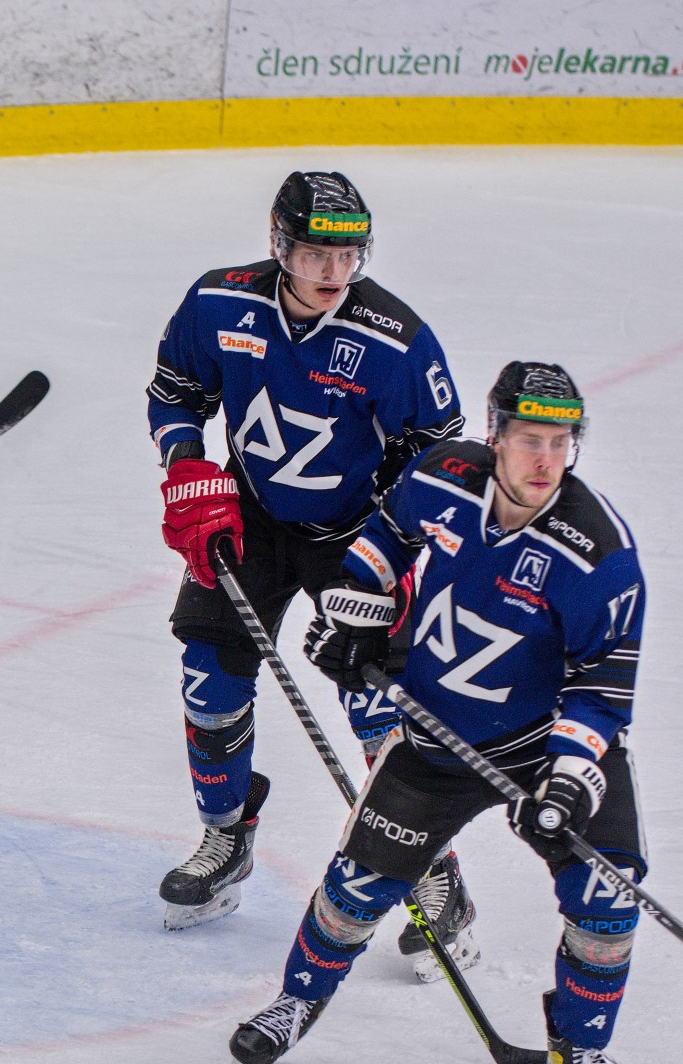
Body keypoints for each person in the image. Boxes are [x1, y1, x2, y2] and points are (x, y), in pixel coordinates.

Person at [231, 362, 652, 1064]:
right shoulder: (442, 475)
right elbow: (389, 537)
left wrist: (566, 780)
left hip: (547, 747)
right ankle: (296, 1001)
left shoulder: (600, 556)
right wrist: (358, 612)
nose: (546, 460)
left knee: (608, 895)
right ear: (495, 434)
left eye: (561, 442)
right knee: (356, 890)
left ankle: (580, 1057)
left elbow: (602, 689)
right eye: (530, 440)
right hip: (433, 732)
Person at [145, 170, 474, 977]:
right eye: (317, 253)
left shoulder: (395, 340)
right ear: (279, 245)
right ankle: (226, 836)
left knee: (377, 704)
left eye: (349, 254)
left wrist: (392, 549)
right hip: (251, 516)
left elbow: (440, 460)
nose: (334, 271)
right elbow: (176, 393)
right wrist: (187, 466)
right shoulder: (219, 303)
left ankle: (436, 873)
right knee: (209, 676)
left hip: (357, 531)